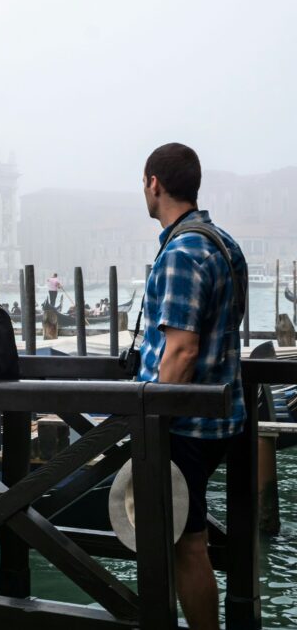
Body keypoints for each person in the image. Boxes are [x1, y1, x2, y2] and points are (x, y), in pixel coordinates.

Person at [136, 143, 247, 630]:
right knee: (186, 537)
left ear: (154, 184)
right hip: (223, 413)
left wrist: (153, 420)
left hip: (185, 425)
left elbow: (180, 350)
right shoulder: (224, 242)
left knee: (186, 542)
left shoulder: (182, 251)